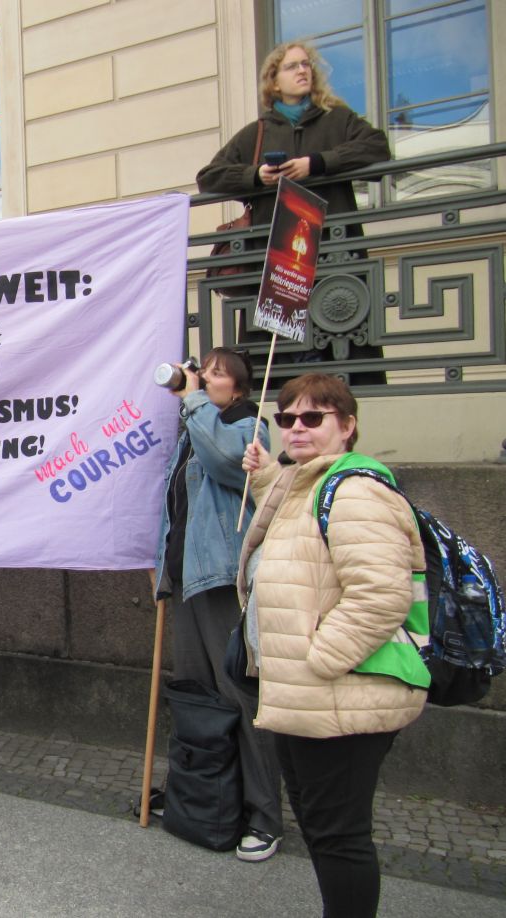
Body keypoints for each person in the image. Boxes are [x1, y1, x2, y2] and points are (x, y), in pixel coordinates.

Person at [239, 373, 427, 916]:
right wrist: (264, 476)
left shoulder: (356, 490)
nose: (297, 427)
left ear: (347, 427)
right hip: (308, 694)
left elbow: (380, 596)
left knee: (338, 836)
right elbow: (300, 537)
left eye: (313, 418)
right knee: (322, 830)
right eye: (287, 418)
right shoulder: (309, 482)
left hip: (338, 691)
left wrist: (318, 658)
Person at [153, 347, 282, 862]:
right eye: (201, 370)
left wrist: (194, 402)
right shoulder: (194, 429)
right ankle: (206, 797)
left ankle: (265, 817)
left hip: (223, 582)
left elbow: (229, 464)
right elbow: (175, 507)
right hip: (186, 581)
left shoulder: (248, 428)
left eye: (216, 374)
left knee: (239, 696)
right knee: (196, 695)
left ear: (240, 388)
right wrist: (162, 568)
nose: (203, 378)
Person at [196, 40, 390, 379]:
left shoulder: (338, 119)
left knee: (340, 347)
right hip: (278, 263)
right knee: (280, 360)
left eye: (306, 65)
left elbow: (377, 149)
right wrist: (256, 175)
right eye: (292, 66)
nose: (303, 70)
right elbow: (209, 177)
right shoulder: (257, 132)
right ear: (274, 81)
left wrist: (317, 163)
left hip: (332, 252)